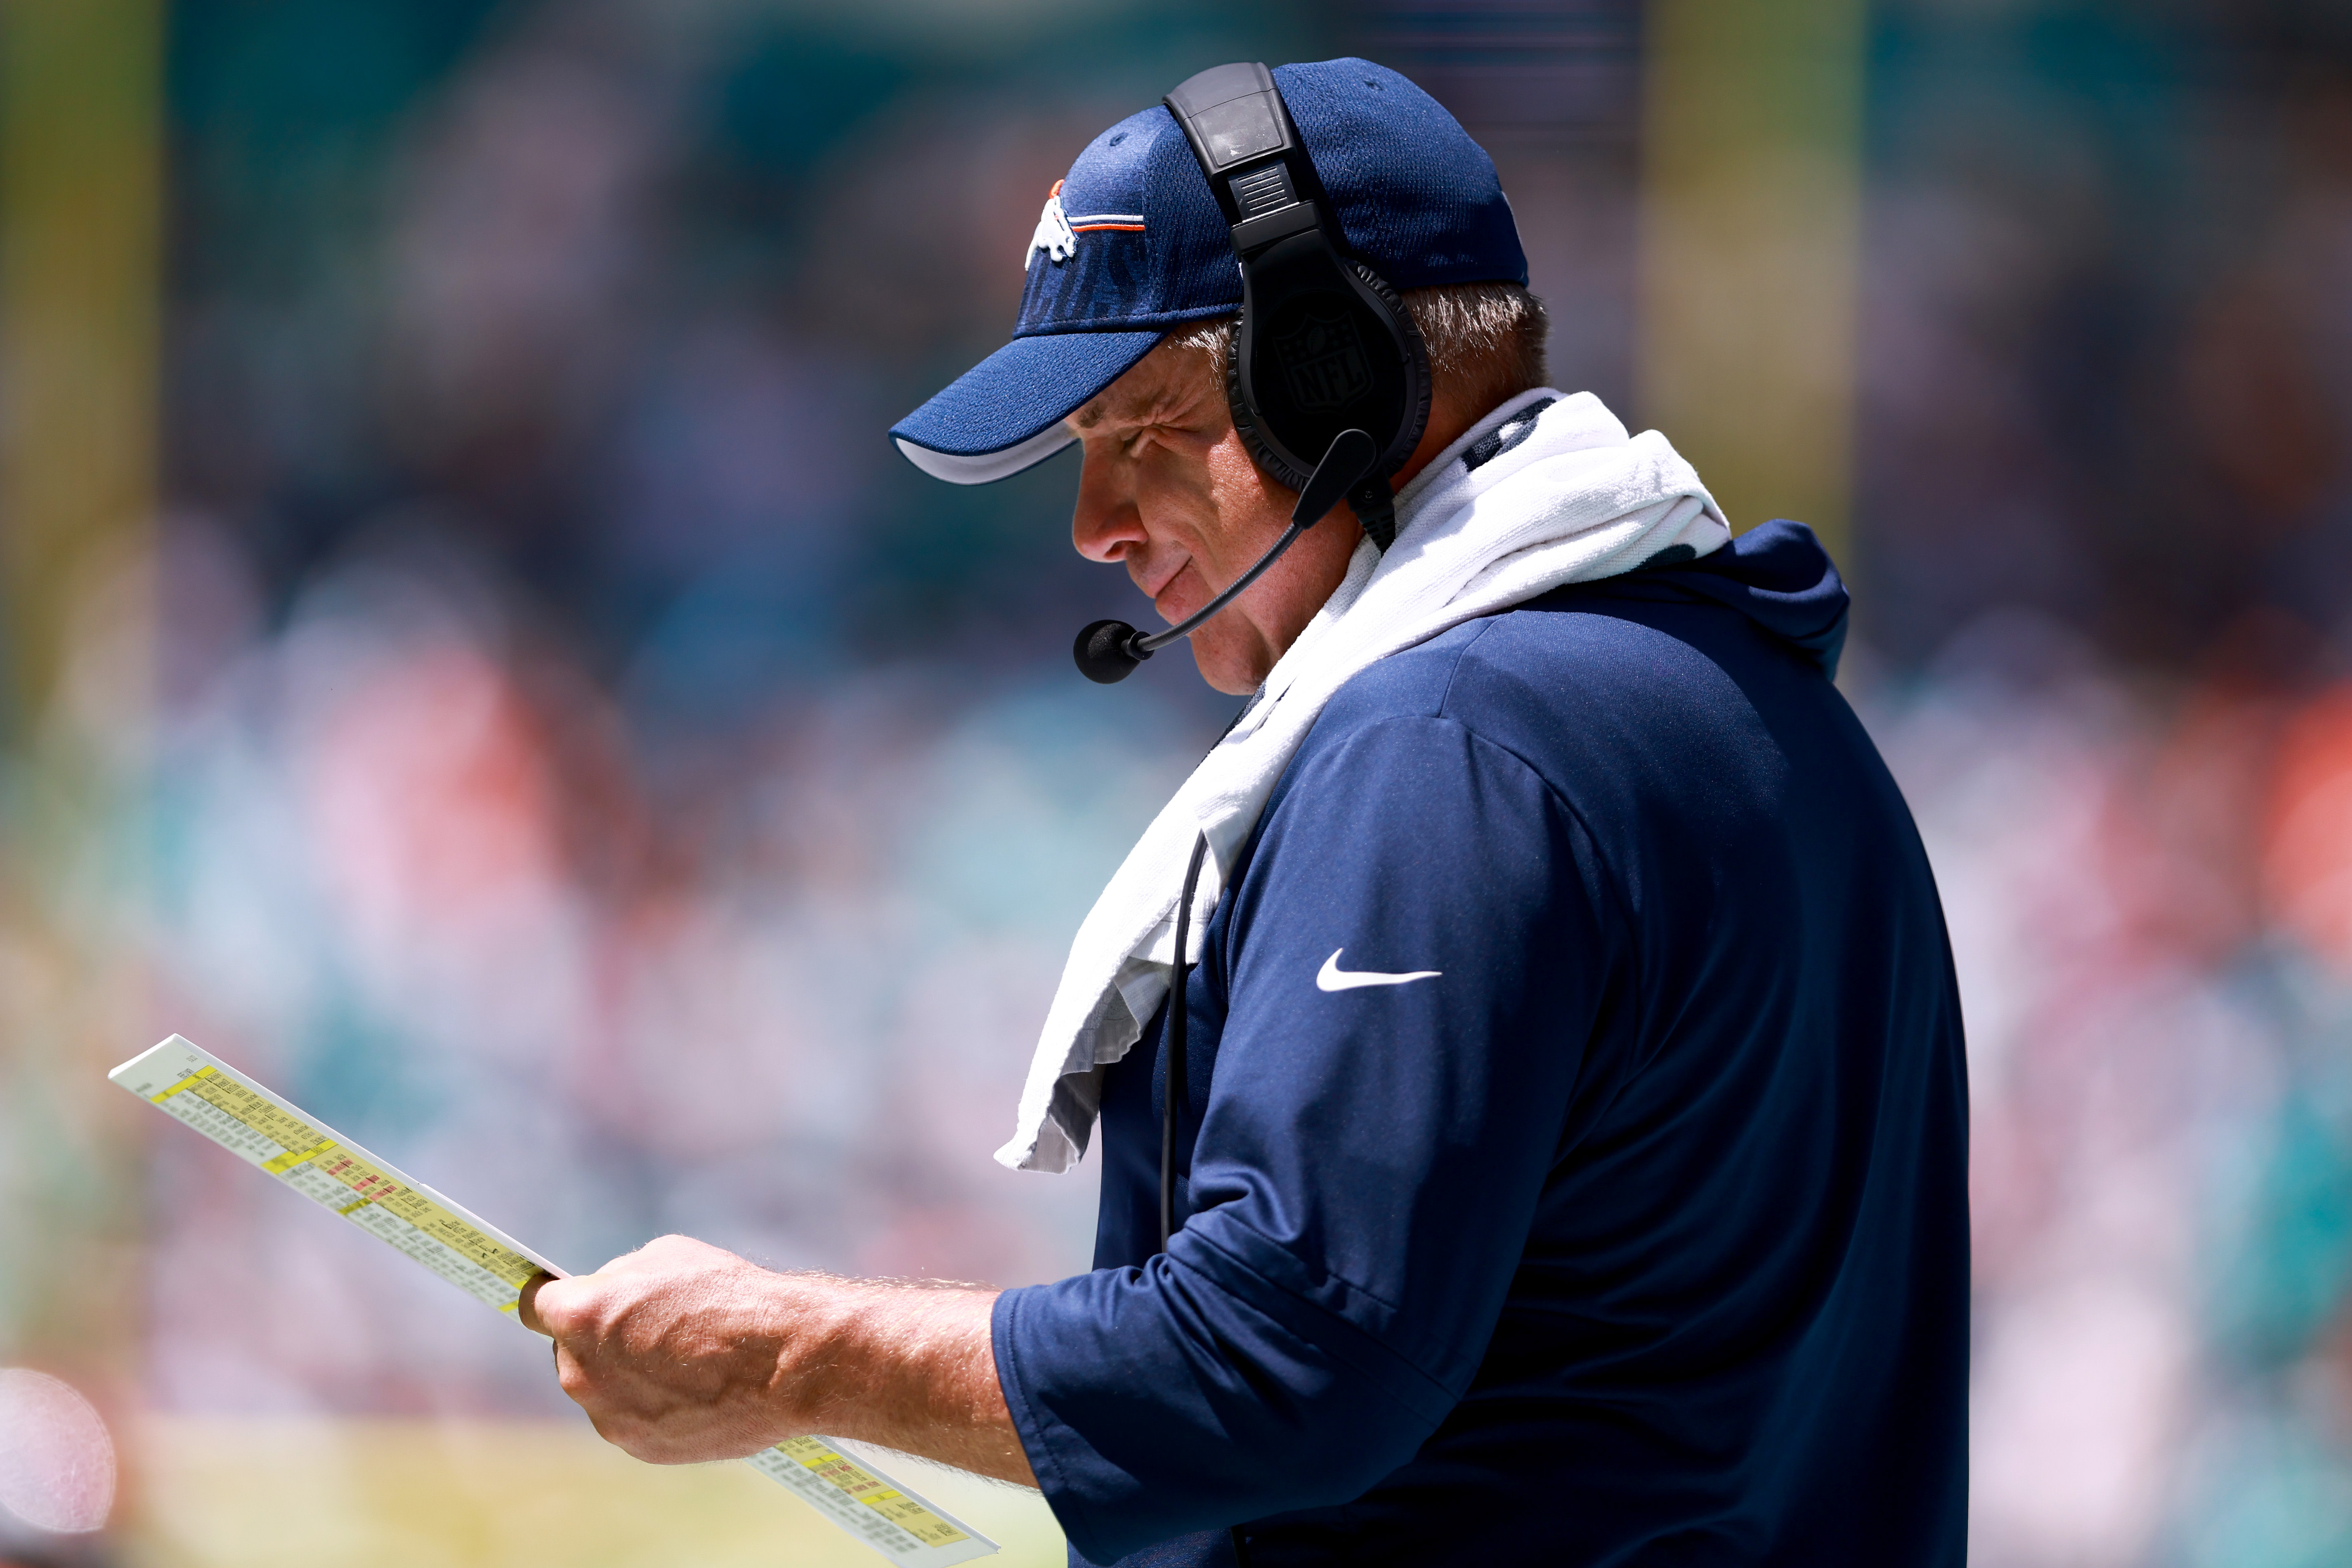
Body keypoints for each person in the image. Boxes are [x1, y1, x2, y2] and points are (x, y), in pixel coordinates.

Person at [519, 58, 1969, 1567]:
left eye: (1143, 429)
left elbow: (1282, 1363)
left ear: (1337, 375)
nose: (1094, 529)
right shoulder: (1753, 700)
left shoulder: (1448, 745)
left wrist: (781, 1355)